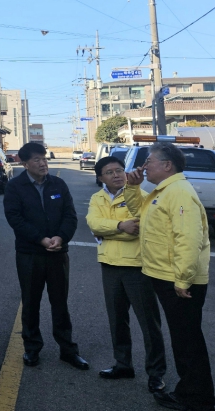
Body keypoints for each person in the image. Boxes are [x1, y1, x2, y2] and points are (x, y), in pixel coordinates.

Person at [125, 142, 214, 411]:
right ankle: (193, 392)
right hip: (166, 276)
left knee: (187, 340)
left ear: (167, 165)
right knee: (184, 338)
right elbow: (139, 213)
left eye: (148, 161)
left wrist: (183, 279)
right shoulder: (163, 191)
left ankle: (196, 398)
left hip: (178, 280)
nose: (143, 167)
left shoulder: (179, 192)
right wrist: (132, 187)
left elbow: (188, 238)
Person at [3, 142, 88, 370]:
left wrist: (61, 237)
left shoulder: (58, 184)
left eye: (44, 158)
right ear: (25, 164)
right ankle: (32, 348)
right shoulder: (15, 186)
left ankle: (68, 350)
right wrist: (40, 239)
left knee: (60, 302)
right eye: (37, 160)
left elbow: (70, 215)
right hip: (29, 254)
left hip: (58, 253)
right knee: (31, 302)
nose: (43, 163)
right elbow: (15, 218)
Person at [86, 156, 166, 393]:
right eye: (109, 172)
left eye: (119, 170)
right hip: (110, 265)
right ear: (100, 178)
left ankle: (156, 374)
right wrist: (120, 226)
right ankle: (123, 365)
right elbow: (93, 224)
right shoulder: (97, 198)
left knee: (149, 323)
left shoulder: (140, 194)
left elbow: (138, 227)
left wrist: (108, 231)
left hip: (137, 266)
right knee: (117, 320)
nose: (116, 175)